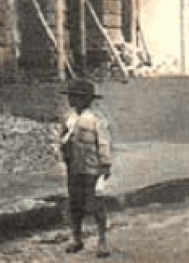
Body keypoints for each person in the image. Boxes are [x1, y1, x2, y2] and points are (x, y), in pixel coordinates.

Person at [58, 78, 112, 258]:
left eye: (74, 96)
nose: (70, 100)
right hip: (74, 167)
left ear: (86, 99)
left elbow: (104, 143)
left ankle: (102, 241)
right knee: (75, 204)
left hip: (92, 168)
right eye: (70, 96)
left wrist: (105, 165)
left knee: (96, 204)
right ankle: (76, 238)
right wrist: (64, 156)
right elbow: (63, 139)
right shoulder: (69, 118)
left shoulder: (96, 119)